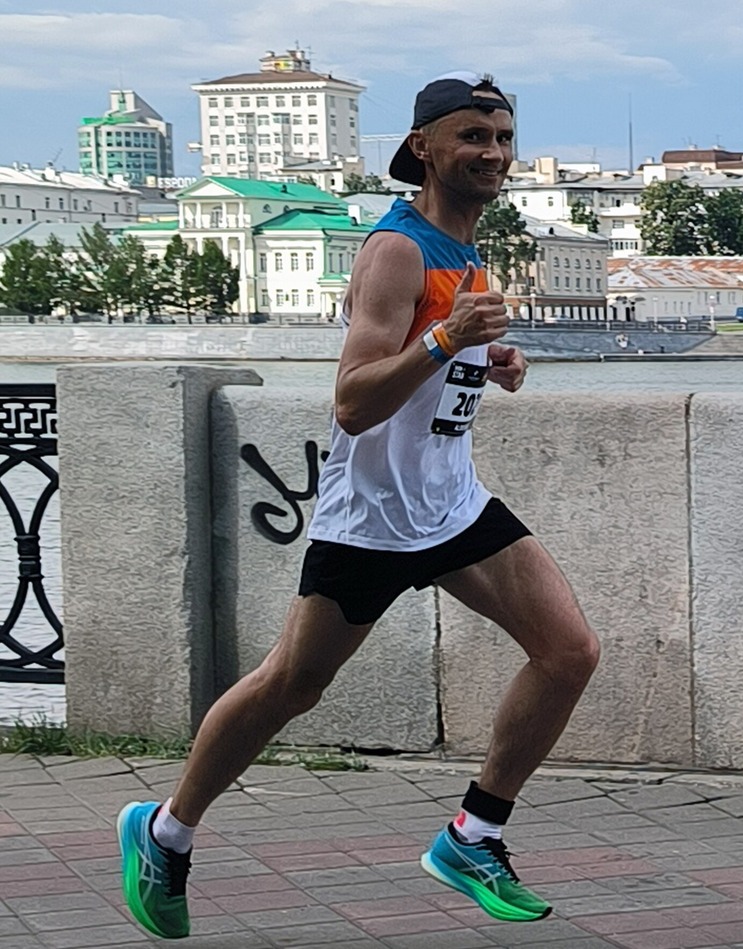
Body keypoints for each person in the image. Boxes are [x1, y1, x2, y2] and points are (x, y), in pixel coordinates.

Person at [116, 71, 600, 940]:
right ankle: (165, 830)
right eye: (471, 138)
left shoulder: (464, 246)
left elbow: (428, 357)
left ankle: (474, 832)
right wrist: (450, 339)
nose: (491, 154)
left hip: (451, 507)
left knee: (569, 651)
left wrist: (486, 362)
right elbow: (354, 399)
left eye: (501, 139)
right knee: (289, 685)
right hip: (372, 520)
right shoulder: (397, 249)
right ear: (422, 148)